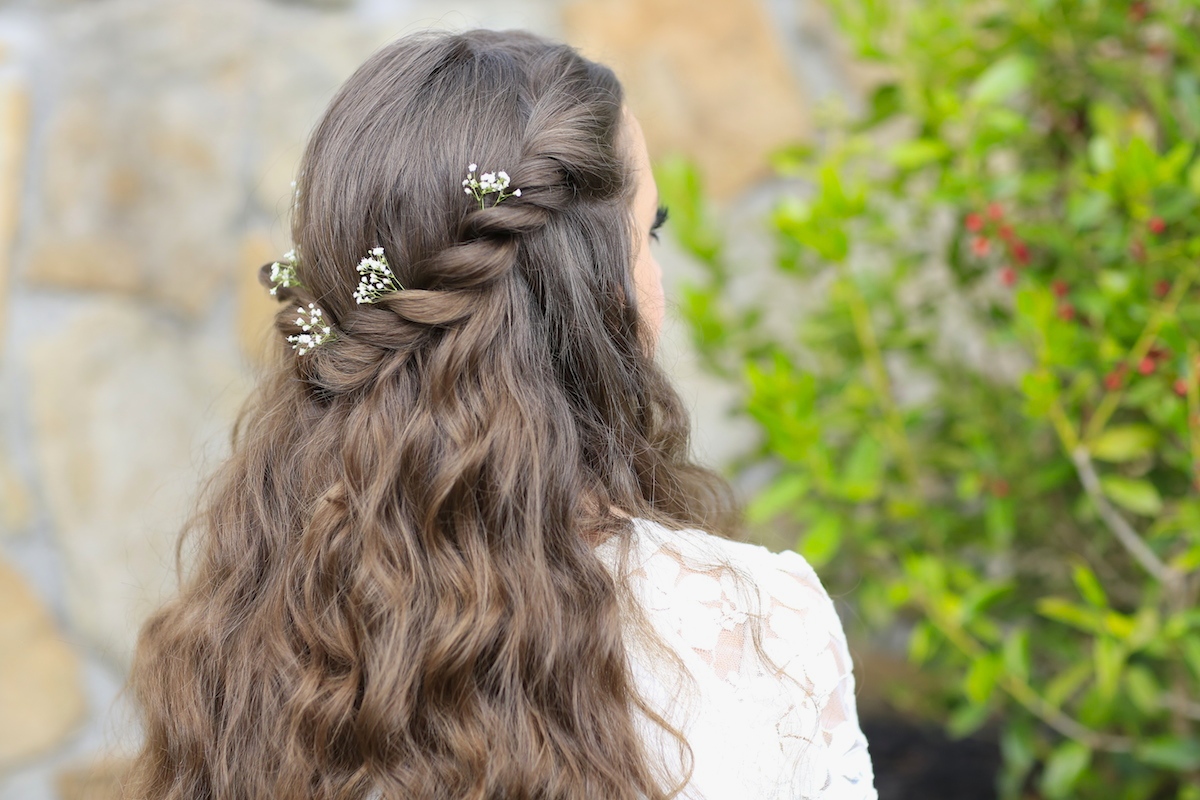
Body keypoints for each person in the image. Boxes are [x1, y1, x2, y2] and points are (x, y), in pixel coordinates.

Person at [125, 29, 877, 800]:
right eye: (647, 233)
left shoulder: (240, 643)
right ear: (597, 287)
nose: (654, 273)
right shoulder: (758, 629)